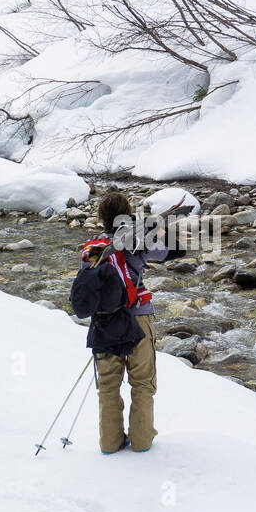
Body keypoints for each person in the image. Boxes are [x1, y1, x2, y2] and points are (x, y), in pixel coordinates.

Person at [77, 191, 185, 454]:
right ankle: (142, 441)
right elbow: (178, 251)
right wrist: (158, 227)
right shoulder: (138, 242)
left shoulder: (92, 248)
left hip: (104, 323)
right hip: (138, 319)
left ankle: (110, 443)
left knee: (108, 386)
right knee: (142, 383)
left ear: (101, 217)